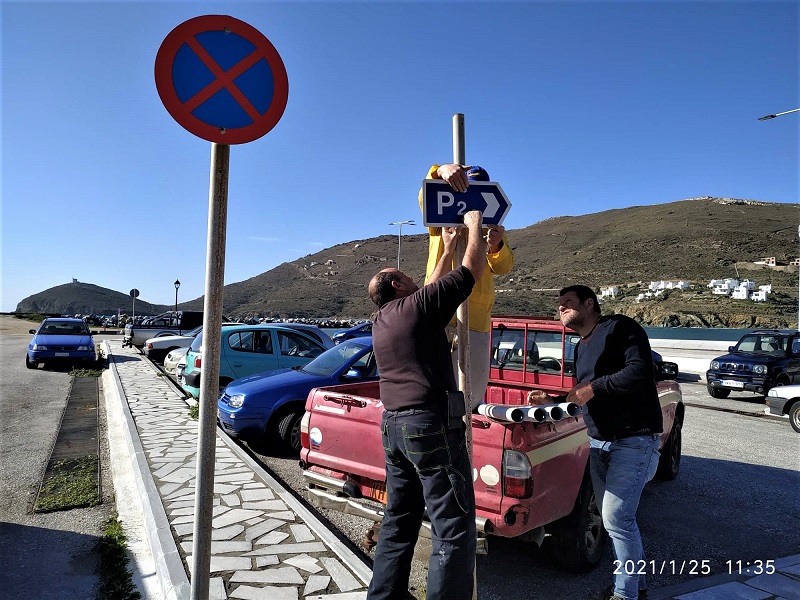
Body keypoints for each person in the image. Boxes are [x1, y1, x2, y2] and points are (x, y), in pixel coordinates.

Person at [366, 210, 487, 600]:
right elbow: (471, 271)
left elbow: (429, 291)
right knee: (452, 526)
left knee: (398, 521)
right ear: (398, 284)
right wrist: (473, 227)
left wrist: (446, 247)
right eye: (406, 276)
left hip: (393, 428)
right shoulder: (418, 308)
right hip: (429, 425)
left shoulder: (383, 319)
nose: (414, 280)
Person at [530, 285, 662, 600]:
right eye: (559, 303)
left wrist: (593, 387)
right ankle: (636, 587)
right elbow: (582, 395)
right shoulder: (580, 347)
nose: (561, 307)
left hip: (633, 438)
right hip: (599, 442)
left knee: (617, 518)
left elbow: (641, 372)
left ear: (589, 304)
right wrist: (554, 402)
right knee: (614, 521)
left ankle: (625, 594)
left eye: (568, 302)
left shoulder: (620, 328)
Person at [418, 163, 514, 406]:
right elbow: (423, 197)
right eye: (467, 186)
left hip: (476, 320)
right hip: (438, 312)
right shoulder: (439, 218)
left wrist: (496, 245)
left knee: (469, 397)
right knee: (431, 391)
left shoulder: (492, 225)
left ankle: (462, 429)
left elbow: (503, 267)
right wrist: (439, 170)